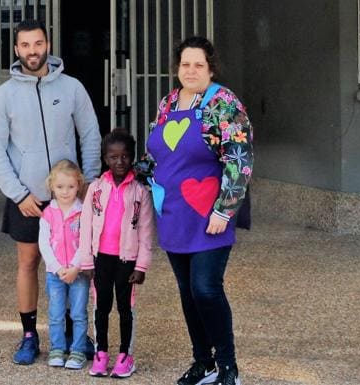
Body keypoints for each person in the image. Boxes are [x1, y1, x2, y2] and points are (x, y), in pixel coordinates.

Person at [0, 19, 102, 365]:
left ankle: (74, 334)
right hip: (29, 197)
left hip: (70, 197)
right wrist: (18, 194)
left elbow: (91, 134)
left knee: (76, 264)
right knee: (29, 262)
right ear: (16, 49)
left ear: (47, 44)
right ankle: (30, 335)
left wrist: (89, 182)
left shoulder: (73, 88)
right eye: (25, 46)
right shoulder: (3, 95)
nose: (32, 51)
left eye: (37, 44)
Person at [136, 36, 253, 385]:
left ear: (210, 67)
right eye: (185, 64)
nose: (190, 70)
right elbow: (159, 153)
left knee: (206, 289)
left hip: (209, 213)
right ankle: (202, 362)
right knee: (187, 292)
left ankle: (227, 366)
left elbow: (239, 159)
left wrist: (225, 209)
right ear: (177, 68)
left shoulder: (224, 103)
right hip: (172, 212)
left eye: (198, 64)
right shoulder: (169, 102)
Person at [79, 128, 154, 379]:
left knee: (125, 308)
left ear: (132, 157)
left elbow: (145, 232)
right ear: (105, 158)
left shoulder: (140, 192)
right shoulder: (96, 189)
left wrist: (141, 266)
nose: (119, 161)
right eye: (113, 157)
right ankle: (101, 354)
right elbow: (85, 227)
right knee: (101, 307)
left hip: (127, 261)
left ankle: (125, 355)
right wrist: (86, 260)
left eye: (124, 156)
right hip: (101, 259)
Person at [38, 160, 90, 370]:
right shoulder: (48, 213)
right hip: (55, 273)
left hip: (78, 273)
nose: (65, 192)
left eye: (70, 186)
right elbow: (44, 243)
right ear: (51, 186)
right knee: (56, 314)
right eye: (60, 187)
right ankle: (57, 348)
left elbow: (86, 240)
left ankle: (78, 350)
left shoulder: (83, 211)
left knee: (78, 313)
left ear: (79, 185)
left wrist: (76, 266)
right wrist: (58, 267)